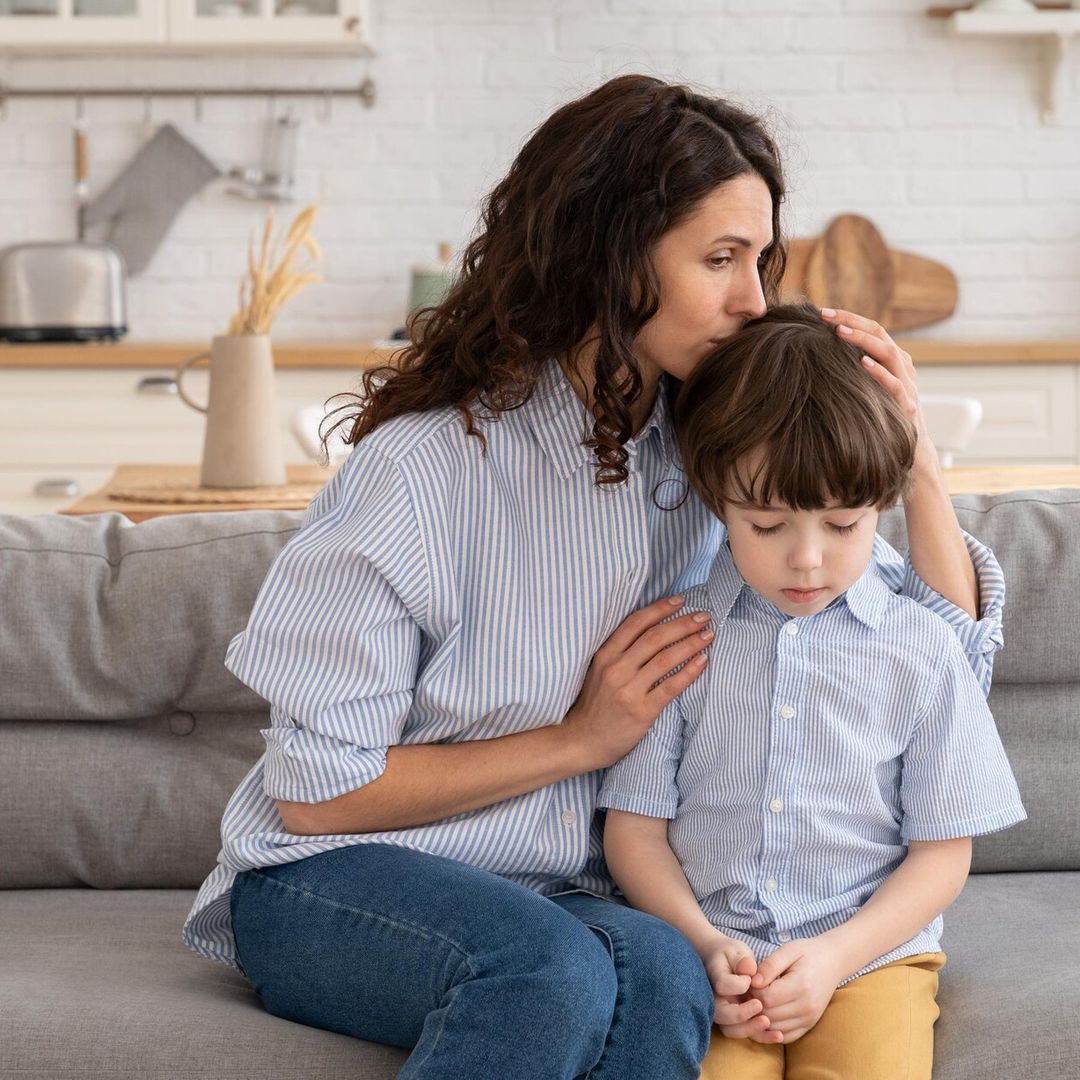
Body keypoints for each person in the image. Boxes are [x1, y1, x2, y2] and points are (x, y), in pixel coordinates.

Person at [182, 76, 1007, 1079]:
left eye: (761, 261)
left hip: (571, 893)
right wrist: (579, 740)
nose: (754, 300)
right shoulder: (424, 469)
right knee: (549, 972)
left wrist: (914, 461)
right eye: (720, 260)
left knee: (664, 971)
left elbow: (934, 652)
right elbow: (318, 795)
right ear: (613, 261)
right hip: (332, 882)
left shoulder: (716, 459)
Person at [598, 302, 1026, 1080]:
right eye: (766, 526)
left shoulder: (922, 647)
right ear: (714, 495)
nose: (806, 560)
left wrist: (833, 959)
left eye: (842, 525)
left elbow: (941, 854)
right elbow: (635, 834)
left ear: (881, 506)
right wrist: (702, 943)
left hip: (871, 957)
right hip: (711, 960)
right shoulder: (675, 638)